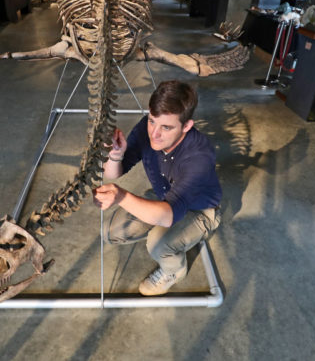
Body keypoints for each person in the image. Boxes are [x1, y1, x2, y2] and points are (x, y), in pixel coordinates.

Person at [93, 80, 222, 296]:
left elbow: (168, 216)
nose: (155, 133)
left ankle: (174, 270)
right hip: (164, 196)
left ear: (187, 126)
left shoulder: (198, 156)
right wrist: (115, 155)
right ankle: (171, 237)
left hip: (200, 209)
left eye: (167, 127)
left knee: (158, 244)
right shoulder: (147, 128)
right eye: (153, 121)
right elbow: (113, 173)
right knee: (109, 233)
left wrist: (121, 196)